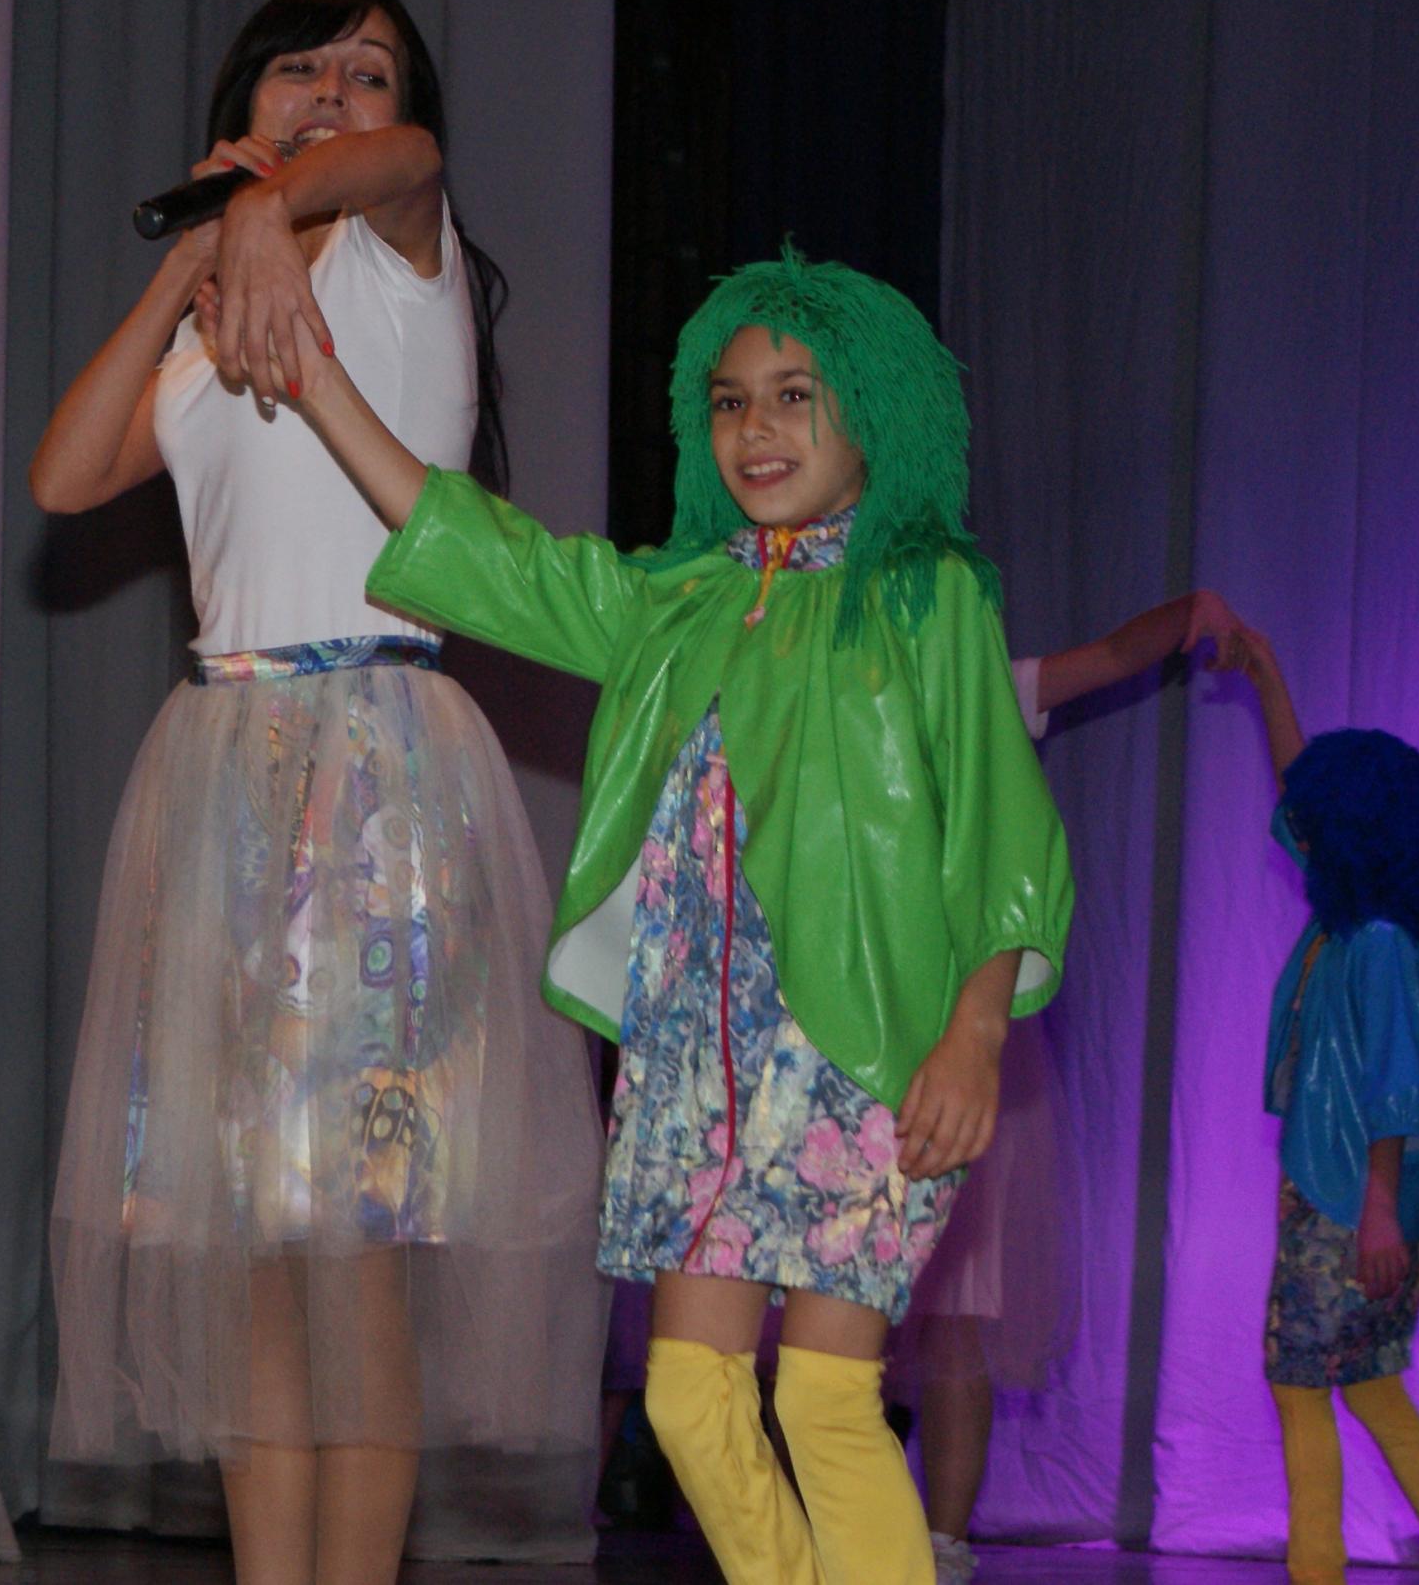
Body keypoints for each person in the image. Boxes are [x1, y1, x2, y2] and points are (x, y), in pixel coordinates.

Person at [271, 244, 1076, 1585]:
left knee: (823, 1402)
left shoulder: (924, 597)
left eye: (794, 396)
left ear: (871, 414)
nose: (755, 427)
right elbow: (494, 558)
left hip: (862, 1057)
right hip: (692, 1080)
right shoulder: (680, 600)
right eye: (728, 401)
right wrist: (315, 379)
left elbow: (1002, 833)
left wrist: (976, 1033)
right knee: (689, 1399)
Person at [33, 0, 606, 1585]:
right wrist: (192, 263)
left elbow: (403, 160)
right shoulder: (219, 299)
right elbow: (67, 475)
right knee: (251, 1256)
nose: (336, 93)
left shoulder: (405, 255)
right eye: (302, 67)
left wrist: (279, 210)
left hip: (371, 780)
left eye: (368, 70)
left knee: (354, 1249)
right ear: (245, 98)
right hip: (222, 774)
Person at [902, 589, 1256, 1583]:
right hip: (853, 1031)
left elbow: (1107, 655)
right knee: (827, 1299)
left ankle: (941, 1542)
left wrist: (1189, 612)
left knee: (957, 1309)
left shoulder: (988, 693)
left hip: (961, 1031)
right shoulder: (832, 692)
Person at [1234, 638, 1419, 1585]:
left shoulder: (1381, 941)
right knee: (1371, 1386)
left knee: (1299, 1384)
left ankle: (1314, 1570)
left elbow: (1397, 1083)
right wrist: (1267, 675)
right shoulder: (1349, 923)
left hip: (1350, 1200)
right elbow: (1295, 790)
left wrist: (1379, 1211)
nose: (1300, 830)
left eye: (1319, 820)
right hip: (1342, 1193)